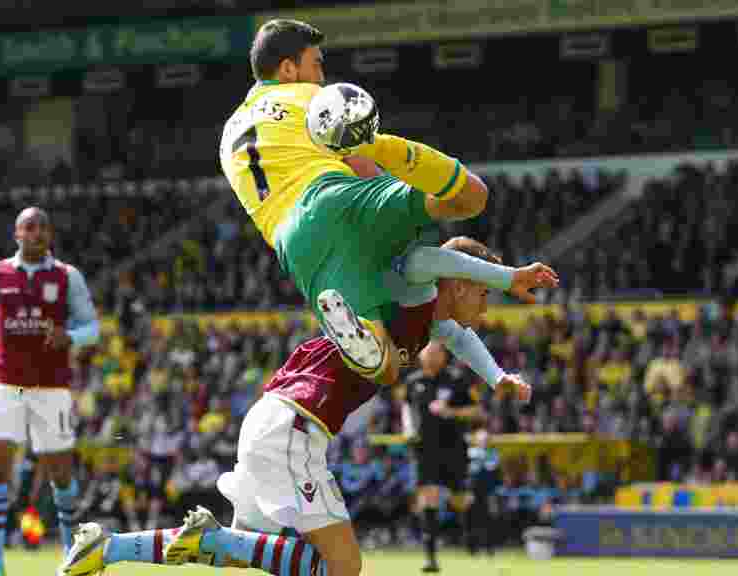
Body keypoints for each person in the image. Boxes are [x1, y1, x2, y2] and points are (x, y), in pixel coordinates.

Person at [59, 236, 533, 576]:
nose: (488, 305)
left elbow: (463, 339)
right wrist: (510, 276)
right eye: (484, 290)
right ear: (462, 282)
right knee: (343, 566)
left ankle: (111, 547)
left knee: (241, 553)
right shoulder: (415, 288)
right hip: (297, 424)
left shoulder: (432, 323)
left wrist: (498, 378)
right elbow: (433, 259)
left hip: (274, 416)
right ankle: (207, 537)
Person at [216, 18, 557, 389]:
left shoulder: (228, 136)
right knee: (470, 196)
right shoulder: (309, 98)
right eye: (316, 64)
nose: (320, 75)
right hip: (339, 196)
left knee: (384, 367)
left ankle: (355, 328)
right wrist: (399, 219)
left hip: (294, 242)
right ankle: (382, 142)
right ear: (287, 68)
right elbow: (361, 167)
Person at [0, 206, 100, 576]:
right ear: (16, 233)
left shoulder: (68, 276)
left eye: (42, 227)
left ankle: (71, 555)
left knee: (61, 475)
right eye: (28, 227)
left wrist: (69, 335)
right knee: (1, 464)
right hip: (5, 382)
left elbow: (92, 329)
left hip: (51, 386)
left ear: (50, 235)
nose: (36, 232)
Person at [406, 341, 486, 572]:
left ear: (443, 356)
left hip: (453, 448)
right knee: (428, 497)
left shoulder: (457, 379)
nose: (430, 356)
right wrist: (408, 428)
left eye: (435, 352)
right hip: (424, 450)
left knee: (460, 499)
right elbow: (406, 408)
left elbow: (477, 411)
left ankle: (471, 536)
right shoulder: (413, 382)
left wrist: (451, 412)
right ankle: (430, 557)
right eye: (427, 352)